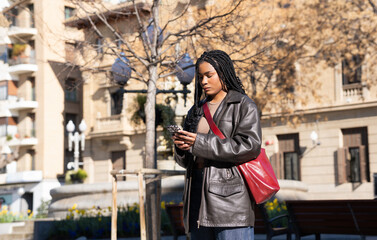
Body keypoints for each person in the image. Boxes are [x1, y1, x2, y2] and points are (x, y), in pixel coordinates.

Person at [173, 50, 262, 240]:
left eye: (208, 75)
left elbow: (249, 146)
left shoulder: (243, 105)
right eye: (200, 77)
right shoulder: (195, 111)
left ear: (223, 73)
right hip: (197, 197)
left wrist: (199, 142)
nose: (203, 81)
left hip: (230, 204)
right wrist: (182, 148)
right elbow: (187, 160)